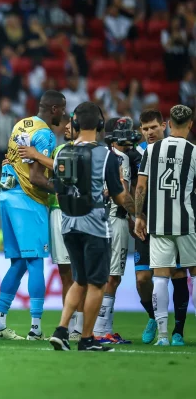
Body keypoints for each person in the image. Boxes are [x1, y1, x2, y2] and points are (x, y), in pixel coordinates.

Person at [49, 101, 135, 352]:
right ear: (100, 125)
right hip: (95, 226)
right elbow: (120, 195)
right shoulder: (107, 155)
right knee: (97, 282)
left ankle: (61, 330)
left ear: (74, 124)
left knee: (80, 279)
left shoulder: (61, 153)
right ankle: (86, 338)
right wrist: (138, 215)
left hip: (68, 225)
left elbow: (58, 190)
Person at [0, 90, 65, 340]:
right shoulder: (46, 135)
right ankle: (36, 327)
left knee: (19, 263)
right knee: (35, 262)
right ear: (53, 109)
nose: (63, 114)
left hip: (6, 197)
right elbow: (36, 177)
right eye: (62, 109)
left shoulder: (22, 123)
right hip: (28, 200)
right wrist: (63, 188)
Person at [134, 105, 196, 347]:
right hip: (186, 223)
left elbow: (140, 188)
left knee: (160, 277)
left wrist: (139, 216)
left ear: (168, 123)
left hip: (158, 224)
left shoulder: (151, 150)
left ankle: (162, 336)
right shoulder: (193, 152)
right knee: (192, 273)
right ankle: (178, 333)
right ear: (190, 124)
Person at [18, 113, 82, 340]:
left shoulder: (89, 150)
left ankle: (84, 325)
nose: (65, 126)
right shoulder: (57, 150)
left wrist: (36, 154)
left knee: (81, 272)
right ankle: (71, 326)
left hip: (80, 211)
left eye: (71, 122)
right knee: (65, 272)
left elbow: (68, 169)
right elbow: (45, 172)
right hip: (57, 210)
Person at [92, 117, 136, 344]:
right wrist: (136, 216)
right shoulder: (121, 159)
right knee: (113, 277)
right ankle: (101, 330)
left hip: (97, 221)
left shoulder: (99, 155)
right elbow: (123, 193)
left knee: (103, 276)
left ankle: (100, 328)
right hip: (115, 221)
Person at [132, 110, 167, 344]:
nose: (149, 132)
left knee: (174, 276)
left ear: (163, 126)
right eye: (145, 129)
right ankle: (153, 317)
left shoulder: (178, 150)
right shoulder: (136, 154)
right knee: (143, 279)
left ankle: (175, 331)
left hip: (171, 222)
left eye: (153, 127)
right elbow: (135, 186)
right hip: (144, 222)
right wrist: (137, 216)